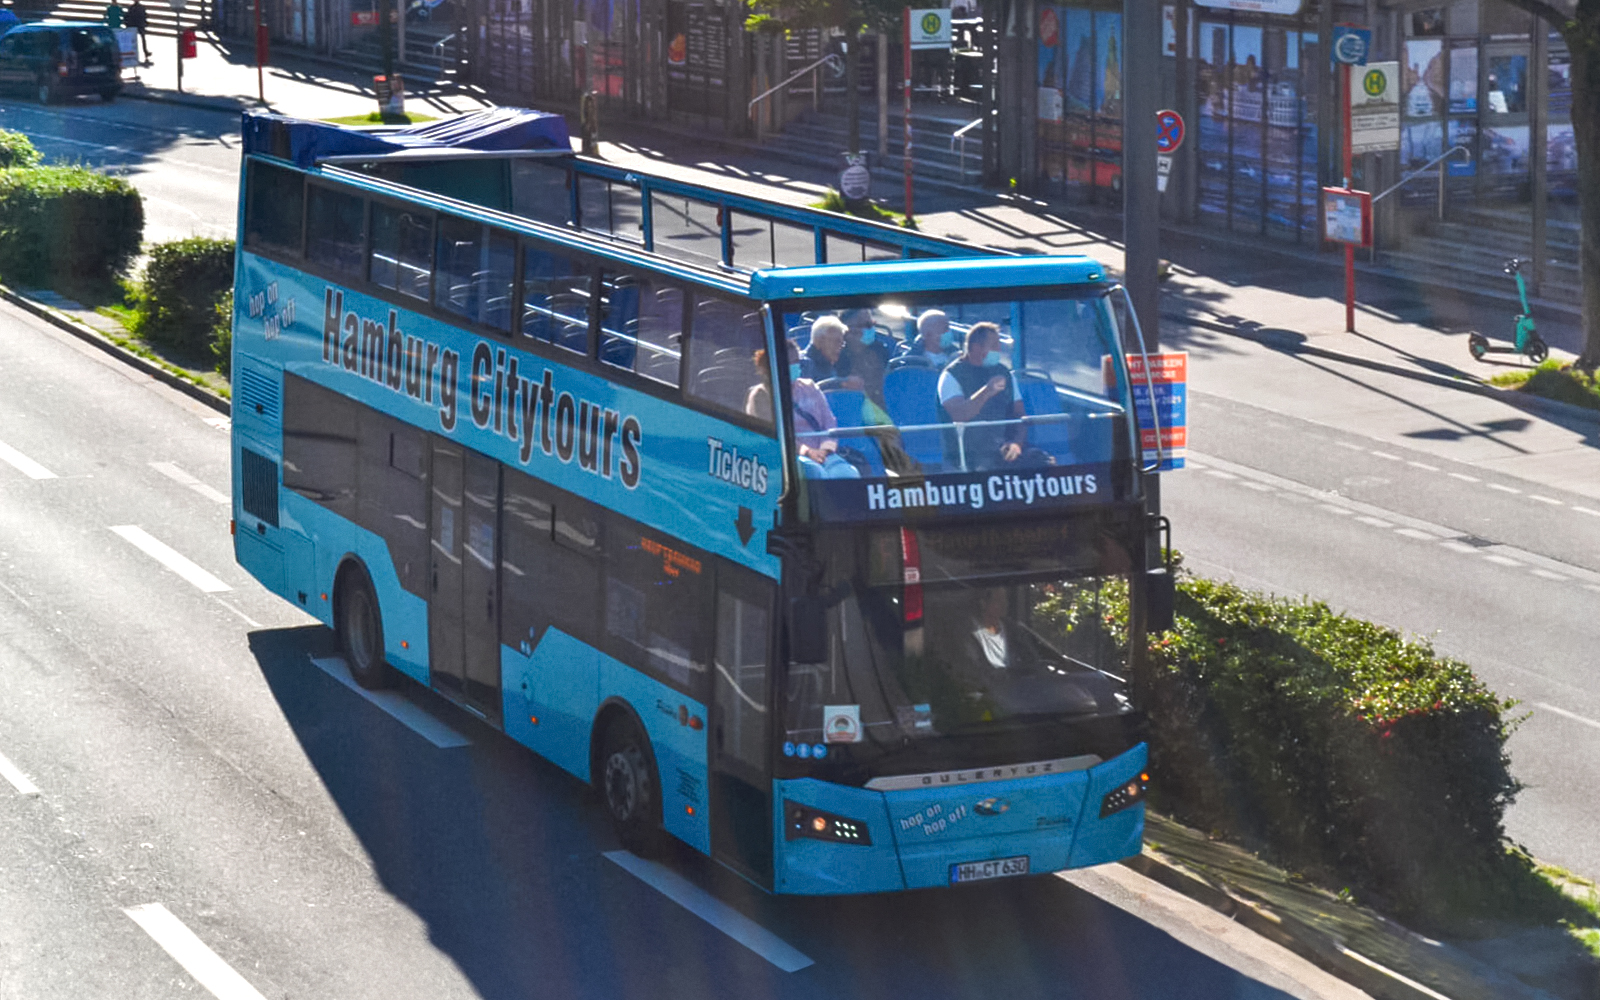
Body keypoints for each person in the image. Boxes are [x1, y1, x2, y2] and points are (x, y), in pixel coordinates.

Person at [937, 321, 1050, 470]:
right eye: (995, 346)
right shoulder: (951, 376)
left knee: (1043, 463)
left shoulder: (1004, 373)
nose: (999, 350)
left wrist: (1016, 443)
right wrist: (987, 391)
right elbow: (959, 415)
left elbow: (1020, 416)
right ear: (977, 348)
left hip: (1006, 448)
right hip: (970, 454)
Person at [747, 343, 859, 479]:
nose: (796, 365)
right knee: (816, 474)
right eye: (790, 362)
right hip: (790, 456)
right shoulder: (761, 394)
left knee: (848, 474)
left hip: (824, 452)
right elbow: (773, 434)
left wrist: (826, 448)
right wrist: (807, 452)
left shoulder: (809, 386)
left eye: (797, 361)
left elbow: (829, 422)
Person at [836, 306, 893, 403]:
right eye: (866, 325)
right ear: (848, 329)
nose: (870, 328)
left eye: (871, 324)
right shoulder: (838, 355)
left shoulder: (880, 349)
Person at [799, 316, 862, 392]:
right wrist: (841, 383)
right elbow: (806, 393)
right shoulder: (804, 364)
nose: (840, 347)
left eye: (842, 343)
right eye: (837, 341)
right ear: (820, 340)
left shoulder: (829, 364)